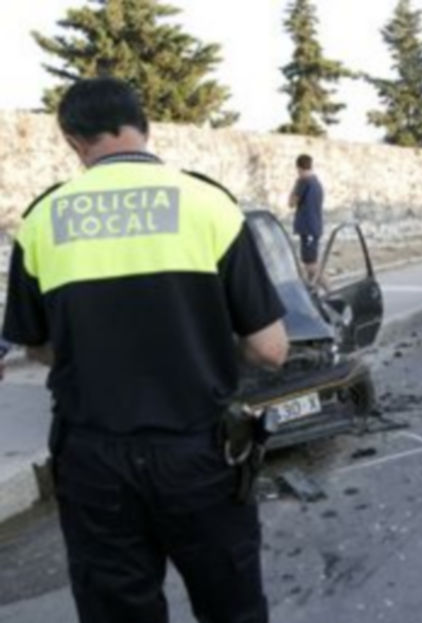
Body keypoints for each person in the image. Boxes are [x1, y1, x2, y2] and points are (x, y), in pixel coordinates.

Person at [0, 77, 289, 623]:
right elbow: (271, 350)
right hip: (199, 455)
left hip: (93, 461)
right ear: (144, 126)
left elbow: (37, 346)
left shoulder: (41, 221)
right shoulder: (209, 205)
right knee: (233, 610)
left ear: (72, 141)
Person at [289, 154, 324, 283]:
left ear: (298, 167)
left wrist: (295, 186)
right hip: (314, 227)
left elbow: (292, 203)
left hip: (308, 228)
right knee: (309, 263)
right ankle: (311, 291)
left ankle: (329, 289)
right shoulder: (316, 182)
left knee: (310, 264)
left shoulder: (303, 182)